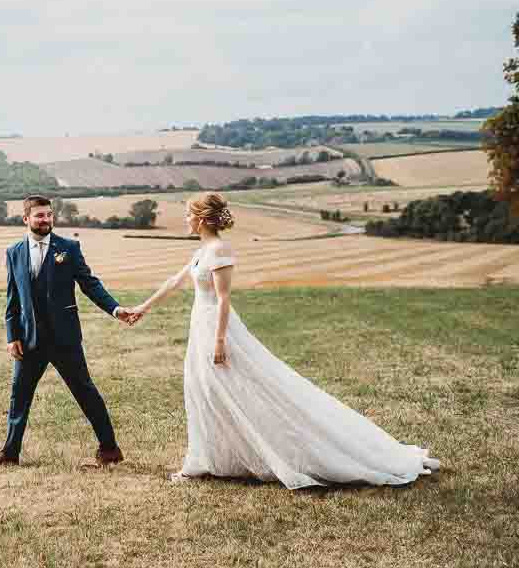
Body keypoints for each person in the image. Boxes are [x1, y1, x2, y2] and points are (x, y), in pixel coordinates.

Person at [128, 192, 440, 488]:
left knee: (242, 389)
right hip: (201, 328)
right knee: (202, 390)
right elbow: (174, 282)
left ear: (201, 219)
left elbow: (223, 299)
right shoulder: (201, 252)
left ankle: (218, 460)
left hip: (216, 328)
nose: (185, 219)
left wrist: (220, 341)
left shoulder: (220, 251)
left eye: (188, 214)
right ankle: (210, 458)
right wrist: (142, 308)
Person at [0, 195, 139, 470]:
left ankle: (110, 449)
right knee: (19, 396)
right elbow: (12, 298)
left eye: (49, 215)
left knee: (85, 392)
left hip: (64, 338)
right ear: (26, 219)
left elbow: (90, 284)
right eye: (39, 215)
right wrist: (11, 335)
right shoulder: (14, 252)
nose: (46, 220)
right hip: (29, 340)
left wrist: (115, 309)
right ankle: (10, 453)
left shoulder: (69, 248)